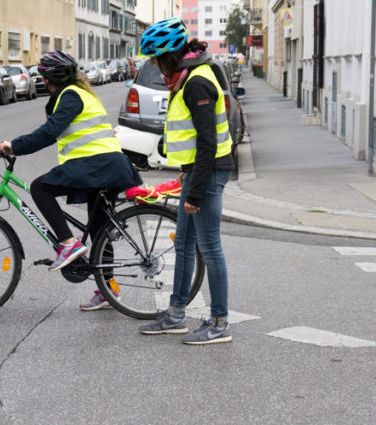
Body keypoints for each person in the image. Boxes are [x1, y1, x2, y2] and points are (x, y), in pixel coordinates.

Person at [0, 50, 143, 310]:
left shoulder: (70, 96)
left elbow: (49, 132)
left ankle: (67, 243)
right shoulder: (82, 93)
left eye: (43, 77)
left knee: (39, 188)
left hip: (95, 165)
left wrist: (14, 146)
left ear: (48, 78)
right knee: (100, 229)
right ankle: (107, 290)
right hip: (108, 165)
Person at [135, 17, 235, 345]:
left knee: (210, 247)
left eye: (158, 60)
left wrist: (194, 189)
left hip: (209, 171)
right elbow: (195, 138)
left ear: (171, 55)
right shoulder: (187, 77)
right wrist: (187, 172)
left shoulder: (196, 83)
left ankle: (219, 322)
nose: (157, 68)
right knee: (183, 245)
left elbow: (208, 141)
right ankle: (176, 314)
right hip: (197, 170)